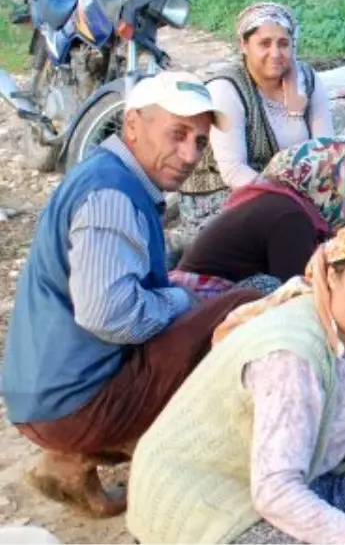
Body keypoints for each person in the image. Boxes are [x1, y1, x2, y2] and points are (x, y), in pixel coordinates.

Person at [0, 72, 263, 517]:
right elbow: (112, 317)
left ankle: (73, 459)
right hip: (72, 403)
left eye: (199, 142)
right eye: (177, 135)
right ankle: (156, 460)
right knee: (242, 304)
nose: (188, 155)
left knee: (196, 307)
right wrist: (181, 302)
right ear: (133, 125)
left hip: (40, 396)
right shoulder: (111, 195)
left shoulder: (104, 174)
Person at [127, 222, 345, 545]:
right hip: (212, 499)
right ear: (333, 277)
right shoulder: (291, 354)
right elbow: (275, 491)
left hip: (292, 474)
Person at [178, 2, 335, 235]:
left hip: (287, 193)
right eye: (264, 44)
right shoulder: (227, 89)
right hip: (222, 197)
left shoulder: (307, 80)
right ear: (244, 44)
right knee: (291, 232)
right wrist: (292, 201)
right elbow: (233, 171)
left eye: (283, 44)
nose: (275, 54)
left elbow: (327, 149)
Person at [174, 136, 345, 294]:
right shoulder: (291, 218)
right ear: (337, 185)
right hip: (199, 299)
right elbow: (298, 289)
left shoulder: (282, 199)